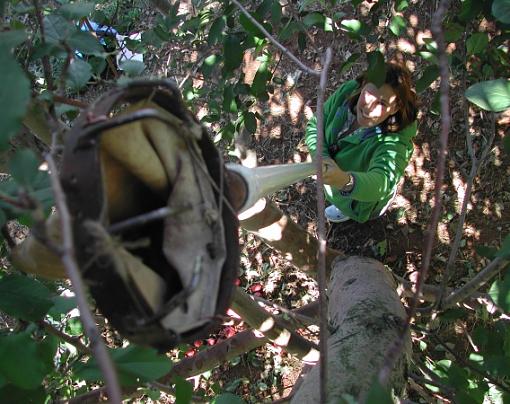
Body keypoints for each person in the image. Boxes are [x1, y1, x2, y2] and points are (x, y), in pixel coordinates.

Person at [305, 61, 418, 223]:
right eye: (370, 94)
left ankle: (350, 210)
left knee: (358, 206)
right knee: (339, 198)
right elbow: (316, 123)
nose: (369, 108)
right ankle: (341, 204)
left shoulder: (395, 142)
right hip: (337, 187)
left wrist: (346, 182)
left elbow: (381, 180)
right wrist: (321, 157)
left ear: (395, 108)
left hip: (358, 199)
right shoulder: (348, 92)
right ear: (363, 85)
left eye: (382, 103)